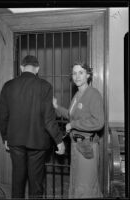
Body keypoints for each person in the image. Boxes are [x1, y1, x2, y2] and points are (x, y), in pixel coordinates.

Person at [0, 55, 65, 199]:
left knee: (17, 181)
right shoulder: (45, 86)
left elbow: (3, 116)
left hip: (15, 141)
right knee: (36, 184)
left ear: (21, 67)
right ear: (37, 69)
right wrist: (59, 141)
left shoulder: (8, 86)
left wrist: (5, 137)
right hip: (38, 142)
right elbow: (49, 119)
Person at [53, 61, 104, 198]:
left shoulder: (93, 94)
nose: (77, 76)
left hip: (87, 146)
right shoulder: (77, 95)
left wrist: (74, 124)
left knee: (86, 187)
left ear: (88, 75)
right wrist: (57, 107)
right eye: (74, 73)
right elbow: (70, 114)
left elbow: (99, 122)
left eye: (81, 72)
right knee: (77, 185)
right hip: (76, 146)